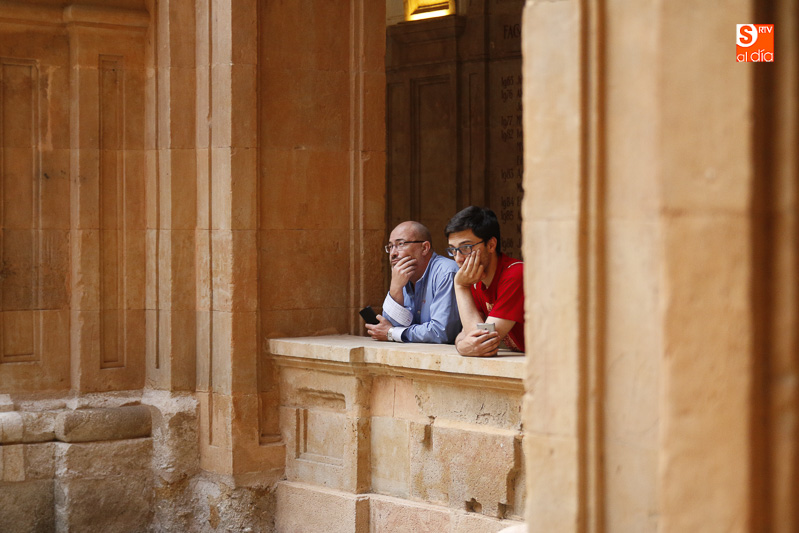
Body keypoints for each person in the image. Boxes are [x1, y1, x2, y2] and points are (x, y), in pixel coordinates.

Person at [445, 206, 525, 356]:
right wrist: (461, 345)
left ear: (491, 245)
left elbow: (481, 341)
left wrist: (461, 286)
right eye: (453, 250)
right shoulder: (476, 281)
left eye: (466, 248)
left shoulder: (515, 274)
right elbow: (466, 335)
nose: (458, 258)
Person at [366, 221, 460, 344]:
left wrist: (393, 333)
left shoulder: (446, 272)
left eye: (400, 244)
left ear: (425, 248)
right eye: (390, 246)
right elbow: (387, 328)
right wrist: (395, 288)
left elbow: (440, 332)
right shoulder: (402, 277)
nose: (393, 253)